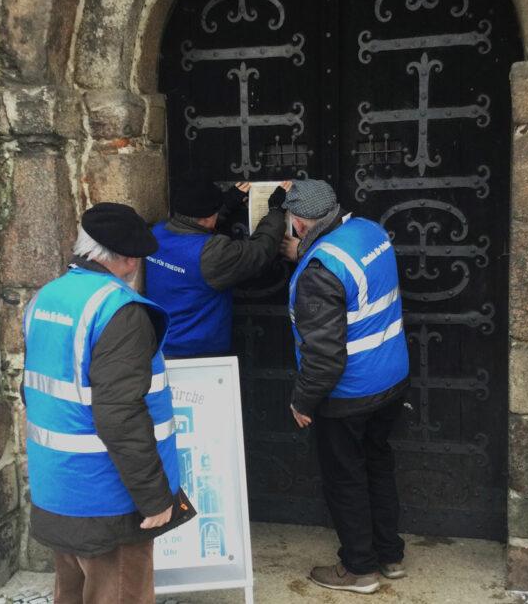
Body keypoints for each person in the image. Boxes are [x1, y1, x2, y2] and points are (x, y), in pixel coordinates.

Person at [21, 203, 194, 604]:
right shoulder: (121, 311)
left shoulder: (46, 298)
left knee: (72, 593)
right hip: (109, 496)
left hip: (60, 487)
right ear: (131, 258)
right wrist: (154, 496)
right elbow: (120, 415)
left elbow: (31, 391)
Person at [280, 179, 410, 595]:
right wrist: (304, 253)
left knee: (345, 478)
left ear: (299, 224)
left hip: (349, 393)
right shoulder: (368, 230)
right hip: (391, 377)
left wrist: (303, 401)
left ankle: (359, 569)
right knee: (377, 464)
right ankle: (389, 555)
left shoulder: (319, 273)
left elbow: (324, 355)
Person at [145, 178, 291, 357]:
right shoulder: (210, 254)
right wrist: (275, 210)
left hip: (159, 344)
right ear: (207, 217)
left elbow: (194, 226)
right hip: (197, 351)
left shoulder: (156, 233)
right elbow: (259, 251)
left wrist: (226, 204)